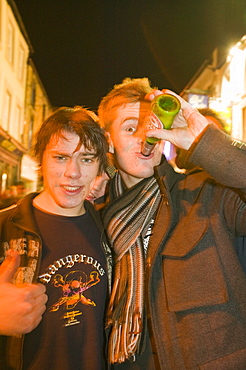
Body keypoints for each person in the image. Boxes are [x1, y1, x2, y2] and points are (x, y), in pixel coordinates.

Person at [98, 77, 246, 369]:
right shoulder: (96, 222)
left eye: (152, 125)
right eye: (130, 128)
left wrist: (204, 141)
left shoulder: (206, 195)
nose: (145, 137)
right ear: (108, 140)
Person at [0, 106, 112, 370]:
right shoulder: (5, 227)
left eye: (86, 159)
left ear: (99, 165)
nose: (73, 173)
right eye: (61, 157)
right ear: (42, 159)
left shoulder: (111, 229)